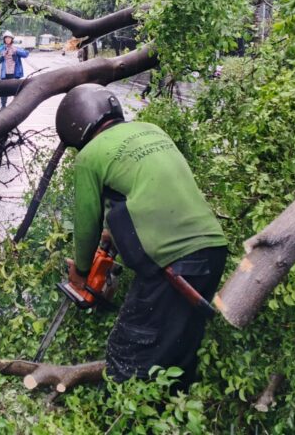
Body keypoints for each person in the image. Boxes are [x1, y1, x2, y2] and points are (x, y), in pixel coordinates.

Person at [54, 83, 227, 387]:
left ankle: (124, 419)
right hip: (212, 249)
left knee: (127, 354)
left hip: (173, 268)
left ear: (75, 127)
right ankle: (175, 414)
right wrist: (112, 237)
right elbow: (151, 192)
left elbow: (86, 227)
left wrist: (81, 272)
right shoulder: (151, 130)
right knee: (181, 354)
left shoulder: (90, 156)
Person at [0, 31, 29, 108]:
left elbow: (26, 54)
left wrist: (16, 51)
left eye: (9, 38)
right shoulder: (2, 49)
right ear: (4, 39)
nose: (7, 40)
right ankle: (3, 106)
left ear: (12, 39)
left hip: (14, 73)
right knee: (3, 90)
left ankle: (15, 106)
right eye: (6, 38)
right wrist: (2, 55)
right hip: (5, 73)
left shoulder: (16, 48)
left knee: (15, 90)